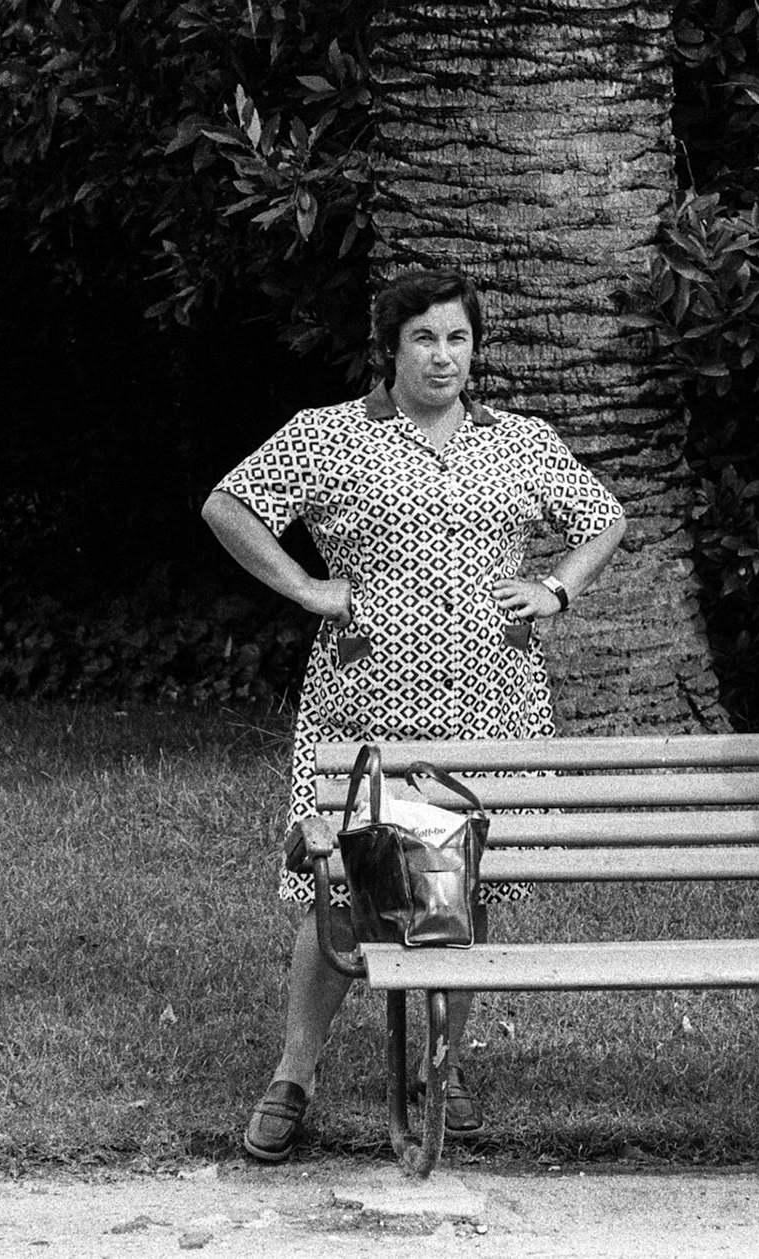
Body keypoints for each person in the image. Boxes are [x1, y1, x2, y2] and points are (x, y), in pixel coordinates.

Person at [203, 268, 627, 1163]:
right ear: (390, 348)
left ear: (477, 349)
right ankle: (294, 1072)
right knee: (342, 886)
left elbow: (604, 517)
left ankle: (446, 1065)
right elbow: (227, 504)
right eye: (424, 339)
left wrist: (556, 587)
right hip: (368, 705)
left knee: (462, 889)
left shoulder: (520, 440)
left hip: (490, 706)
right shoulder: (330, 436)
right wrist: (308, 587)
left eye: (458, 339)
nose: (443, 356)